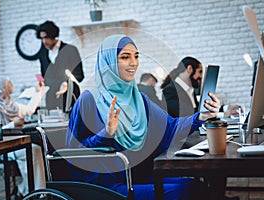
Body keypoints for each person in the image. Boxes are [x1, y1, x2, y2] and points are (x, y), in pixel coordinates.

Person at [64, 34, 222, 200]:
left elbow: (172, 126)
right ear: (109, 62)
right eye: (125, 57)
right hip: (102, 185)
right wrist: (106, 134)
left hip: (135, 175)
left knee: (195, 187)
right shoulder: (89, 99)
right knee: (182, 192)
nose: (133, 62)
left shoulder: (139, 99)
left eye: (136, 56)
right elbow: (74, 152)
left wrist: (202, 116)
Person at [0, 76, 48, 198]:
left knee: (34, 149)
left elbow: (29, 110)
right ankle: (39, 193)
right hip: (2, 147)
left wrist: (38, 91)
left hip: (16, 144)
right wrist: (13, 124)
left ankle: (26, 190)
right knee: (33, 149)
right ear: (2, 88)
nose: (12, 85)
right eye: (9, 83)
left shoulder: (11, 104)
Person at [161, 56, 240, 118]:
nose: (201, 76)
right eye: (200, 72)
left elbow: (199, 108)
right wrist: (223, 114)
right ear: (189, 69)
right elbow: (188, 114)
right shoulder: (170, 90)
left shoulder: (190, 89)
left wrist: (226, 108)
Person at [36, 20, 84, 112]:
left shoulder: (70, 50)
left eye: (46, 37)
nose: (44, 41)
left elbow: (79, 76)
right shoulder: (42, 53)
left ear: (53, 35)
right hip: (51, 99)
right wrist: (41, 83)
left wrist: (66, 83)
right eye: (41, 38)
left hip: (69, 97)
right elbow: (44, 76)